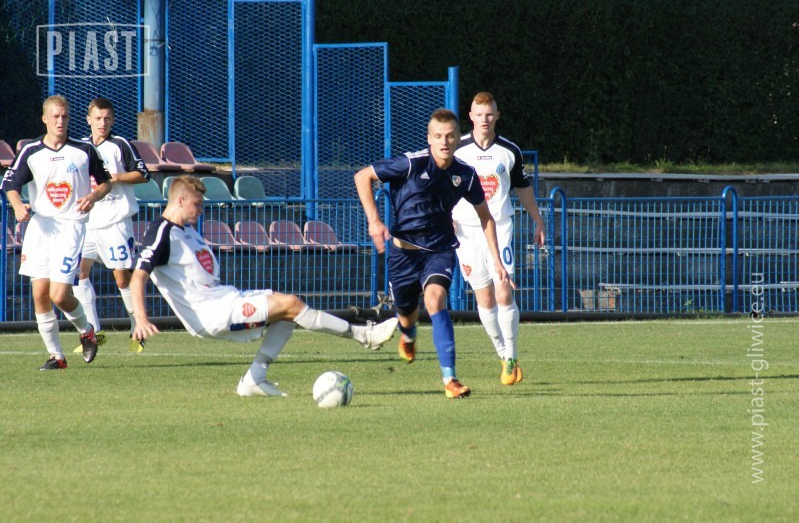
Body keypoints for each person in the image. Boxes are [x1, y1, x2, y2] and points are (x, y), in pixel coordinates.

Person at [130, 176, 398, 397]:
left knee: (287, 313)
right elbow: (138, 277)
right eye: (197, 204)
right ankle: (365, 335)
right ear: (180, 201)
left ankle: (254, 380)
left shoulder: (187, 230)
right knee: (292, 304)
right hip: (211, 313)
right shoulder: (161, 233)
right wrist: (140, 319)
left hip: (225, 298)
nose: (200, 209)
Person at [354, 108, 509, 399]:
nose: (444, 141)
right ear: (429, 138)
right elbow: (363, 176)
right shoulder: (411, 164)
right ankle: (408, 334)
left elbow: (486, 217)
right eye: (438, 136)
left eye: (450, 136)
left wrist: (497, 261)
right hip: (402, 255)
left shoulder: (465, 174)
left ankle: (450, 379)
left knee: (435, 300)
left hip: (439, 251)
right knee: (406, 315)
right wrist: (374, 221)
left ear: (457, 138)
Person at [1, 95, 112, 370]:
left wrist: (93, 197)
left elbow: (106, 183)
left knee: (59, 295)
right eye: (55, 116)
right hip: (41, 227)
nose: (60, 121)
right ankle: (57, 357)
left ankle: (87, 332)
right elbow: (9, 184)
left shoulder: (83, 150)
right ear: (44, 118)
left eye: (64, 116)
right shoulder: (31, 151)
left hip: (70, 226)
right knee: (40, 293)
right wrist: (18, 205)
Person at [452, 92, 545, 385]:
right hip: (465, 230)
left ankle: (512, 357)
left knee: (504, 291)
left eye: (489, 114)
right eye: (479, 114)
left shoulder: (509, 151)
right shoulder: (457, 149)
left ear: (497, 116)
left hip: (500, 226)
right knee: (484, 298)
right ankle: (503, 355)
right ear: (470, 116)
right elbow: (442, 186)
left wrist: (538, 220)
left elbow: (523, 187)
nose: (485, 119)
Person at [71, 97, 150, 356]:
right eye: (98, 118)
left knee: (122, 279)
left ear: (113, 120)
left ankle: (138, 330)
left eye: (107, 118)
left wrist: (117, 177)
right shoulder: (80, 147)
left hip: (115, 221)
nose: (102, 123)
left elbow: (143, 173)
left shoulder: (120, 144)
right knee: (79, 274)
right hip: (88, 222)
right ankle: (93, 334)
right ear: (88, 119)